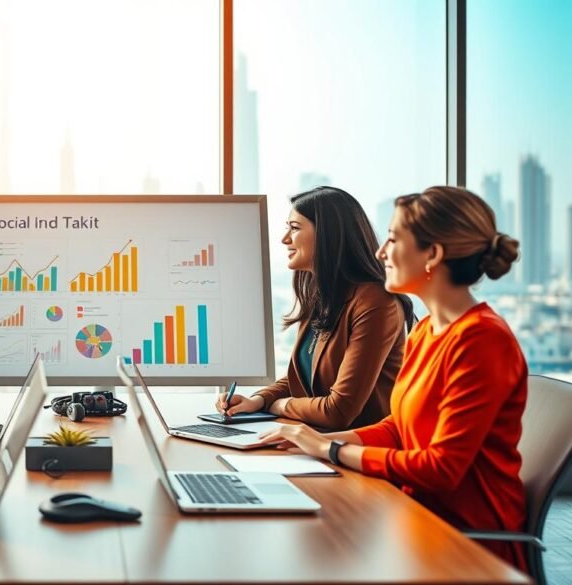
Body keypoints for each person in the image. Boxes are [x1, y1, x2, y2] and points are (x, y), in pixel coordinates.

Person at [256, 186, 527, 570]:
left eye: (394, 239)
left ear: (432, 254)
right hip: (409, 515)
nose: (381, 252)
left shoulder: (483, 340)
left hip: (465, 543)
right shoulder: (427, 330)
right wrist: (318, 441)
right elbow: (399, 428)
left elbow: (442, 468)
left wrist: (330, 451)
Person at [217, 187, 413, 430]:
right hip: (315, 440)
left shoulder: (376, 303)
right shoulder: (323, 295)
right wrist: (258, 400)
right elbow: (301, 379)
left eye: (295, 228)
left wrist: (280, 406)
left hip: (357, 451)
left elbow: (338, 410)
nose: (285, 238)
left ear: (327, 235)